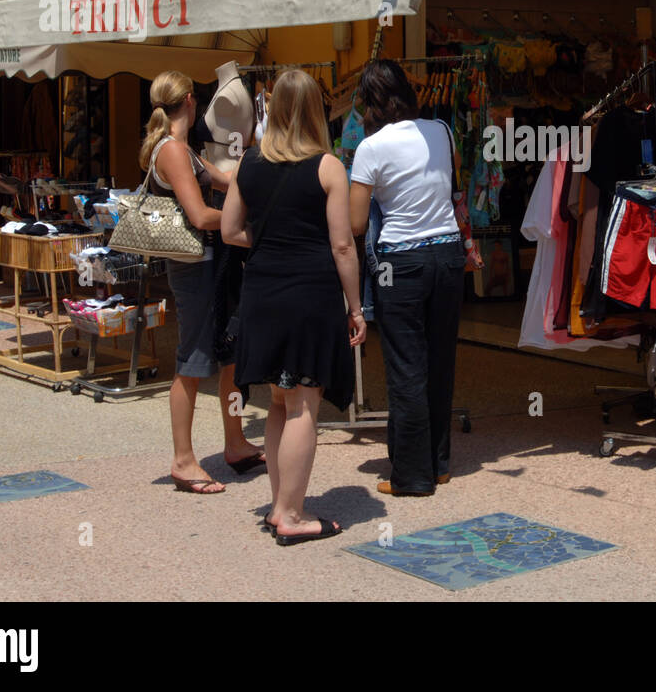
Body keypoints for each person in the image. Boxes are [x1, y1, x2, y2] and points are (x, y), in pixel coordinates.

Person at [222, 70, 364, 544]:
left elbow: (228, 231)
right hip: (310, 294)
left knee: (279, 401)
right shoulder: (327, 167)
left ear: (274, 109)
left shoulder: (249, 163)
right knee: (306, 400)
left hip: (262, 290)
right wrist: (357, 306)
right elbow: (342, 246)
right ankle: (291, 514)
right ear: (316, 111)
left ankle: (279, 504)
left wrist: (271, 245)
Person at [140, 71, 263, 494]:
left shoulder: (184, 150)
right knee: (192, 362)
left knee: (229, 356)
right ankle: (183, 460)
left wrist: (264, 166)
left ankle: (234, 443)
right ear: (191, 101)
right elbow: (200, 215)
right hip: (196, 268)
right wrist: (245, 227)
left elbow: (227, 180)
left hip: (214, 263)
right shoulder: (173, 151)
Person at [349, 60, 465, 497]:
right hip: (448, 256)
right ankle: (437, 463)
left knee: (406, 367)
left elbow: (358, 224)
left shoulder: (370, 148)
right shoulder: (441, 129)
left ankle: (412, 476)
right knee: (439, 362)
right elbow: (453, 178)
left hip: (402, 261)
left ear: (369, 101)